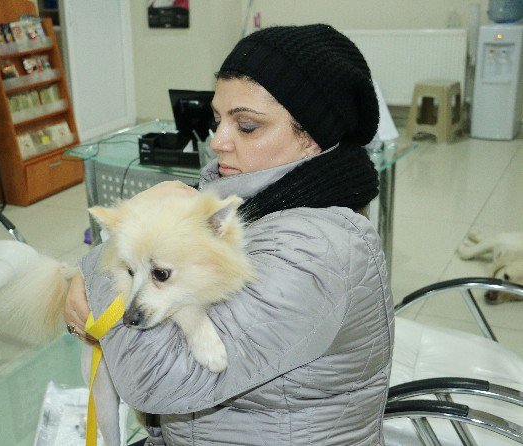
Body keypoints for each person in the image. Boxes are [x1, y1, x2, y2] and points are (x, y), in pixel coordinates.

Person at [65, 23, 393, 445]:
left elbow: (156, 380)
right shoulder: (257, 200)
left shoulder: (314, 250)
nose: (217, 141)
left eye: (247, 126)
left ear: (312, 138)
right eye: (217, 119)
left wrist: (104, 263)